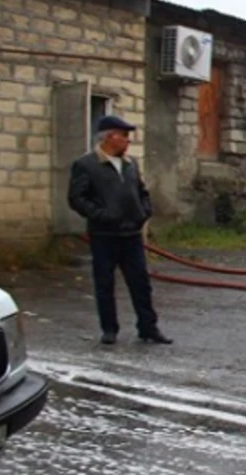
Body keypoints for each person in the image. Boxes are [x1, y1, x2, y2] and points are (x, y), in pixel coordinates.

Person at [68, 115, 172, 345]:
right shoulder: (86, 165)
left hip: (131, 234)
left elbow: (142, 192)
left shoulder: (130, 164)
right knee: (105, 283)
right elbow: (77, 198)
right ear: (109, 137)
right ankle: (109, 329)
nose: (128, 140)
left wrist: (144, 212)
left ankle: (148, 327)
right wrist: (101, 215)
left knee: (140, 283)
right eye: (123, 135)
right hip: (104, 235)